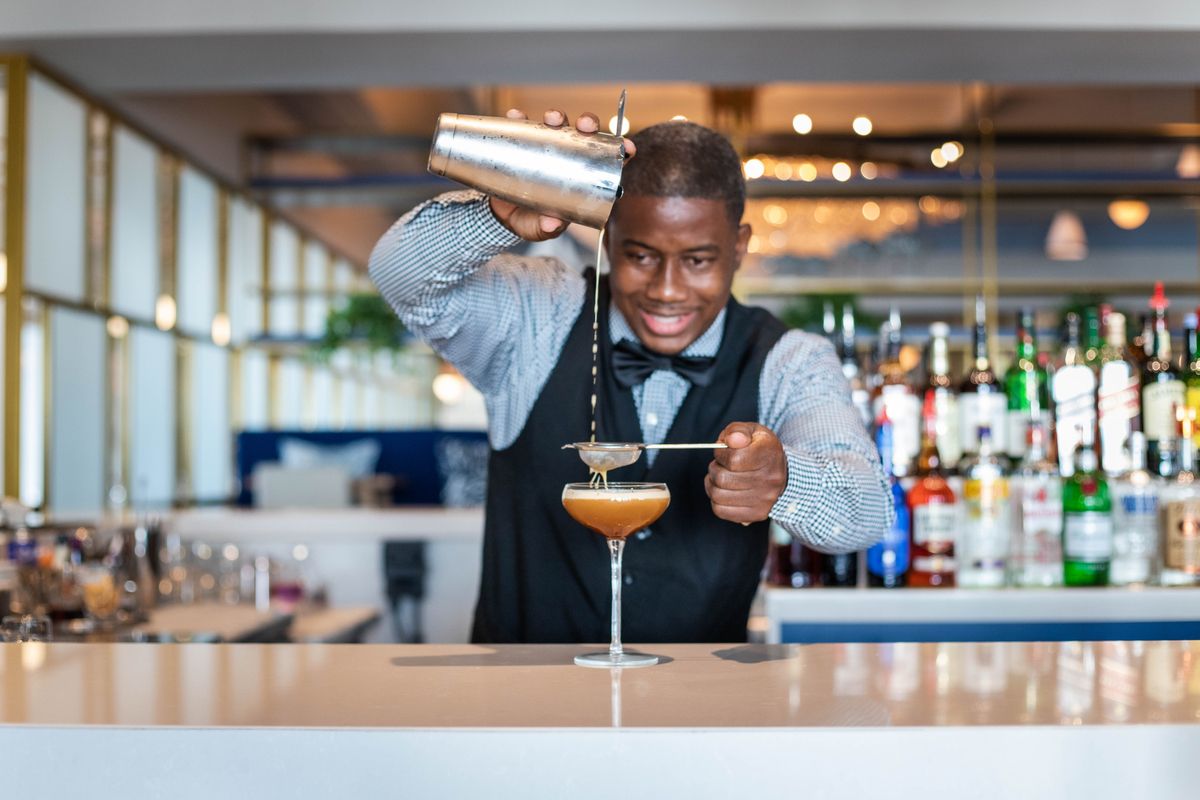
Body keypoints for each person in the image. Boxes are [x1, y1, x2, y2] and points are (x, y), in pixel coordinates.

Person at [370, 108, 893, 644]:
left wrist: (785, 482)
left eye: (697, 260)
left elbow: (867, 513)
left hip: (698, 714)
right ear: (608, 232)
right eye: (641, 256)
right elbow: (399, 275)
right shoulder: (541, 316)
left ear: (739, 246)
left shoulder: (790, 359)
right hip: (521, 708)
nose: (666, 290)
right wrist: (492, 211)